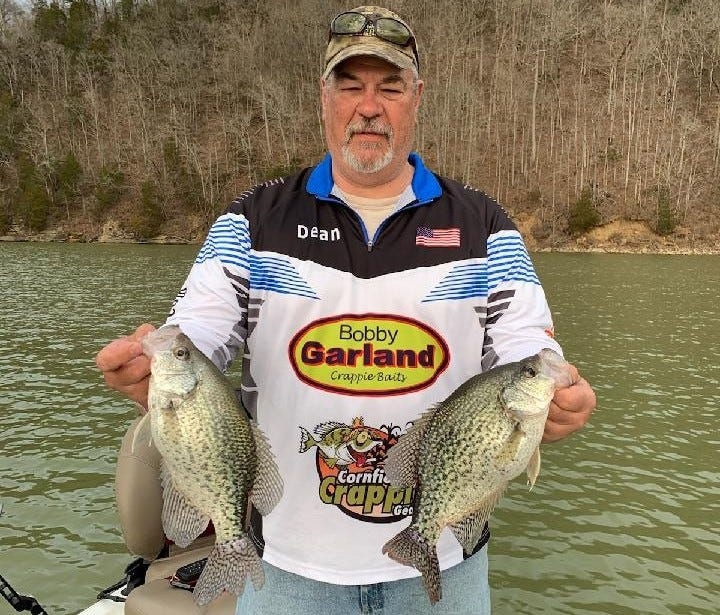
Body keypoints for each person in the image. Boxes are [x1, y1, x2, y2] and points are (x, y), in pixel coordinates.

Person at [96, 6, 596, 614]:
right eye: (350, 85)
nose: (369, 106)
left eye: (389, 87)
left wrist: (563, 391)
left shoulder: (484, 225)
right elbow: (197, 331)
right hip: (284, 569)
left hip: (447, 569)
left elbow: (527, 349)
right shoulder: (252, 219)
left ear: (417, 97)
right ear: (323, 96)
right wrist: (151, 374)